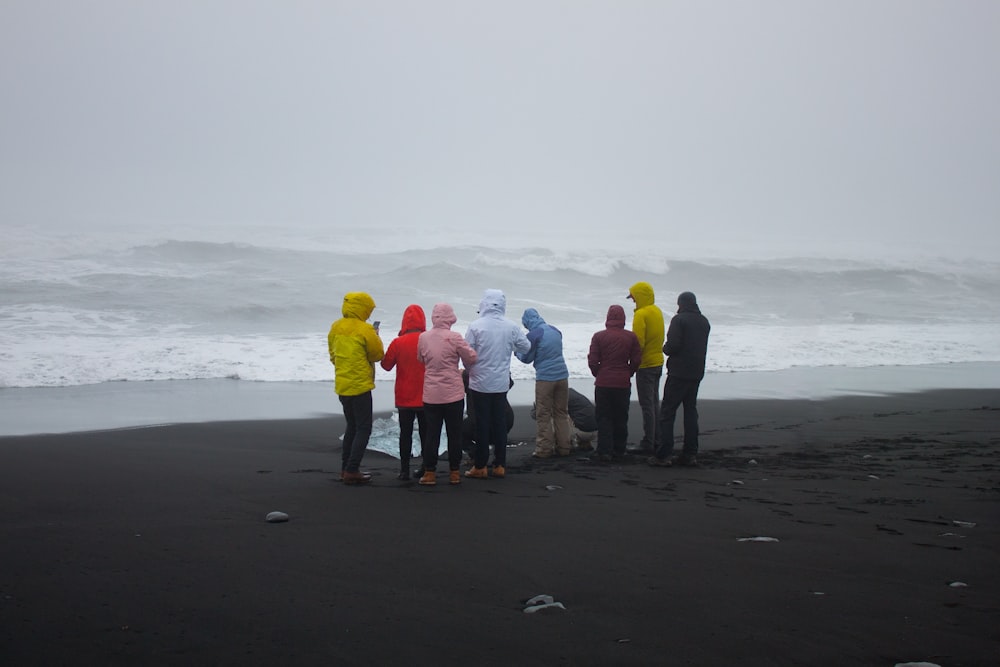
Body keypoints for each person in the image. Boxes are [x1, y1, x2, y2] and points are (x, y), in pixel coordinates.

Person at [464, 289, 530, 479]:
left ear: (484, 303)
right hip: (500, 383)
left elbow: (468, 356)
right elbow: (526, 346)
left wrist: (469, 369)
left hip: (479, 383)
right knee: (499, 424)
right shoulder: (511, 327)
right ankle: (500, 465)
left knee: (482, 424)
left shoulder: (476, 326)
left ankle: (481, 466)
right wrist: (510, 348)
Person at [416, 303, 478, 486]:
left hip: (431, 394)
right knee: (454, 434)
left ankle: (429, 473)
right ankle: (454, 473)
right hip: (453, 394)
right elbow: (472, 357)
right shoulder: (454, 337)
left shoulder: (423, 337)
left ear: (434, 317)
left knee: (432, 434)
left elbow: (420, 358)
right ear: (451, 318)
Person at [327, 292, 384, 485]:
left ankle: (345, 468)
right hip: (360, 385)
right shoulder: (365, 329)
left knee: (351, 426)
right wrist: (376, 336)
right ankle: (352, 469)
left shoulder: (336, 327)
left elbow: (332, 355)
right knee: (363, 428)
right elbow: (377, 355)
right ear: (363, 308)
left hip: (342, 385)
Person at [649, 291, 711, 468]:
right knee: (690, 412)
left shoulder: (679, 320)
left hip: (678, 373)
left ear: (682, 304)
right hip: (697, 372)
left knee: (667, 413)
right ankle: (690, 454)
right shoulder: (704, 321)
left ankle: (664, 454)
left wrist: (664, 348)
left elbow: (673, 346)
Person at [587, 304, 642, 463]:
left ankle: (604, 451)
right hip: (622, 382)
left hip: (604, 382)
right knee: (621, 417)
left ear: (608, 318)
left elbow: (592, 360)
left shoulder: (598, 336)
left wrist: (598, 373)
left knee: (603, 417)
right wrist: (629, 372)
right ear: (623, 318)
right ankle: (619, 449)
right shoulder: (631, 337)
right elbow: (637, 359)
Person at [379, 304, 427, 480]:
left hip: (404, 396)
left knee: (405, 433)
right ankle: (426, 467)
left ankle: (404, 469)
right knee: (425, 433)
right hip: (425, 395)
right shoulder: (427, 340)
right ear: (422, 320)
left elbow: (386, 365)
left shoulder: (398, 342)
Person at [516, 308, 571, 458]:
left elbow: (527, 358)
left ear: (527, 321)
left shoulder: (534, 335)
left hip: (546, 378)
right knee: (561, 412)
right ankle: (564, 447)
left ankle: (544, 449)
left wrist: (516, 352)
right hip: (562, 376)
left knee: (544, 414)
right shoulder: (555, 330)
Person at [627, 281, 665, 456]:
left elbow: (638, 343)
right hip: (658, 362)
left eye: (634, 298)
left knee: (646, 405)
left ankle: (648, 442)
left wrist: (631, 363)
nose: (633, 301)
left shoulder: (641, 315)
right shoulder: (657, 311)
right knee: (654, 403)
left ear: (640, 296)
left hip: (646, 365)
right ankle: (657, 438)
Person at [461, 369, 514, 461]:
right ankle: (499, 461)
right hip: (507, 420)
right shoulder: (498, 373)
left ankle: (476, 454)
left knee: (458, 430)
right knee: (497, 424)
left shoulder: (471, 379)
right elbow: (510, 382)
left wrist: (461, 373)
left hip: (481, 424)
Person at [530, 387, 598, 452]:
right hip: (595, 431)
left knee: (554, 418)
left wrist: (536, 407)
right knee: (572, 414)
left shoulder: (556, 397)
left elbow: (539, 415)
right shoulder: (570, 392)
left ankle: (564, 445)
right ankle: (584, 443)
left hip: (583, 432)